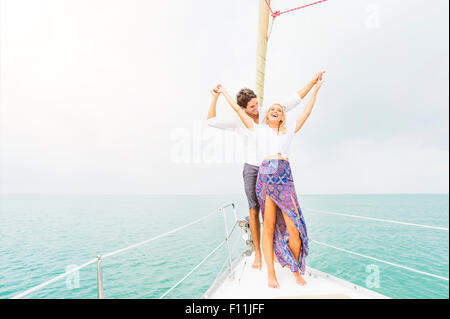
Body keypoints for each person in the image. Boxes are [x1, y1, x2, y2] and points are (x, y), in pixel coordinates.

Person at [206, 72, 324, 270]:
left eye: (256, 104)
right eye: (251, 107)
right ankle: (259, 254)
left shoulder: (270, 113)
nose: (256, 109)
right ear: (244, 109)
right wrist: (218, 95)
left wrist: (313, 83)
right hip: (254, 168)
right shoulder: (242, 121)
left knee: (279, 214)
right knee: (254, 210)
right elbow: (211, 120)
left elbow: (296, 101)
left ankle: (279, 252)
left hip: (278, 171)